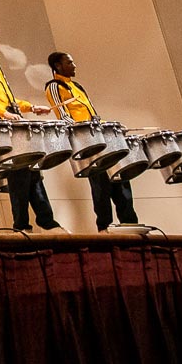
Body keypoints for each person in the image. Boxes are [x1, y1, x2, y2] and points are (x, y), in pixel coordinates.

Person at [0, 25, 60, 232]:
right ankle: (23, 224)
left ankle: (44, 219)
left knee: (31, 168)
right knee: (18, 171)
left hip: (12, 119)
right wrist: (3, 114)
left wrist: (30, 107)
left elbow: (9, 98)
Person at [46, 51, 138, 231]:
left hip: (101, 138)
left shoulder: (78, 86)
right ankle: (104, 227)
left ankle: (130, 224)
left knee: (120, 178)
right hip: (87, 142)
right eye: (69, 62)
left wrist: (111, 126)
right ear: (58, 66)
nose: (74, 65)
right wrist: (86, 130)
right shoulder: (54, 87)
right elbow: (64, 117)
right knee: (101, 187)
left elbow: (93, 115)